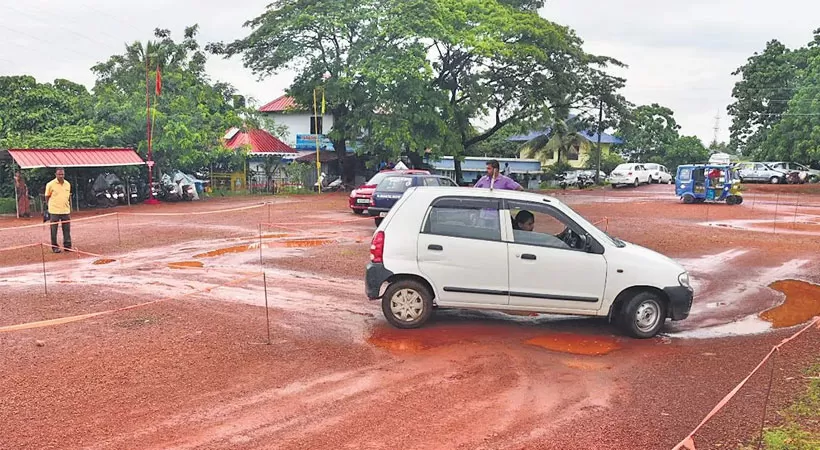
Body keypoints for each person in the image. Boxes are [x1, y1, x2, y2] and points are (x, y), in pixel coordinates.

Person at [45, 167, 72, 253]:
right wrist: (49, 206)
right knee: (54, 230)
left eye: (62, 174)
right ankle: (54, 247)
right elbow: (47, 196)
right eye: (59, 174)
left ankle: (67, 246)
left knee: (67, 229)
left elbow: (68, 197)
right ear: (55, 175)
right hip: (54, 211)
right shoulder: (50, 184)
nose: (61, 176)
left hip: (65, 210)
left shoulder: (67, 184)